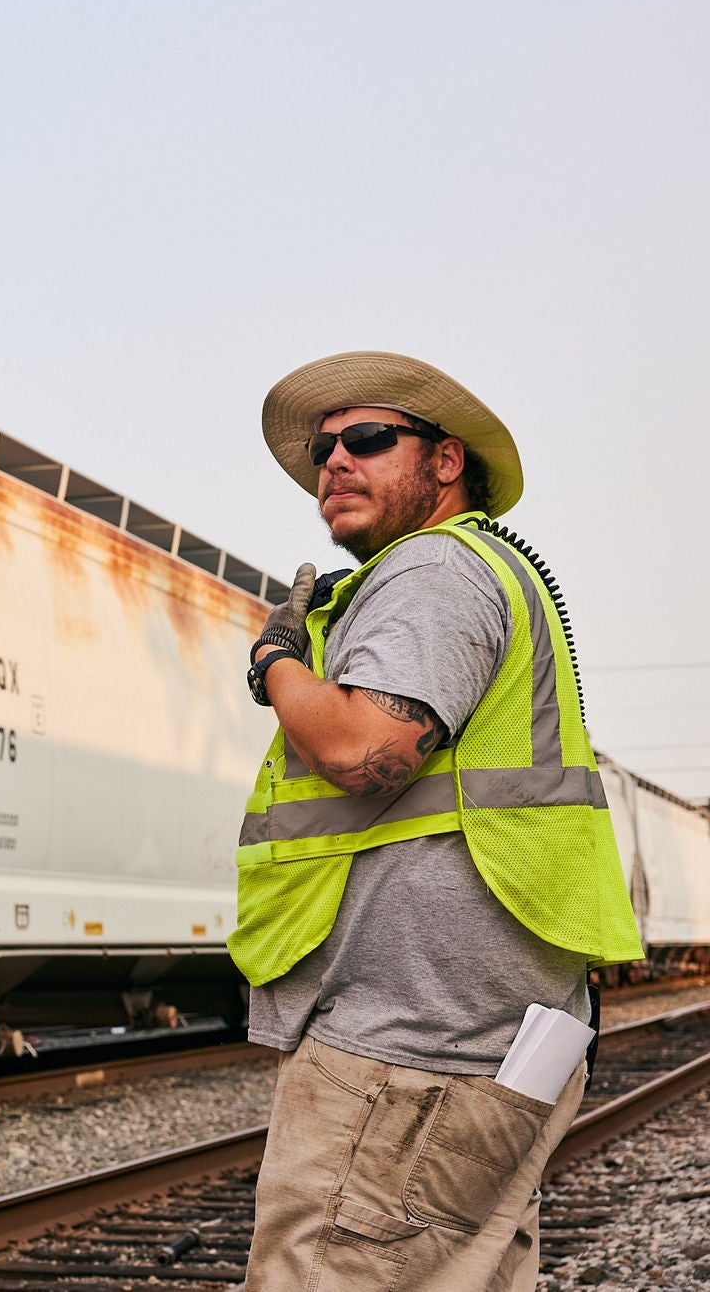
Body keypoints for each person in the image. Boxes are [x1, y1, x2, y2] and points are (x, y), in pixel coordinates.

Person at [231, 351, 641, 1290]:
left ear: (446, 461)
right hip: (485, 1038)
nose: (334, 462)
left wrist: (275, 661)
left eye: (368, 440)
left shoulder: (431, 570)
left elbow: (361, 749)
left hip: (410, 1050)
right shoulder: (483, 572)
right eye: (323, 450)